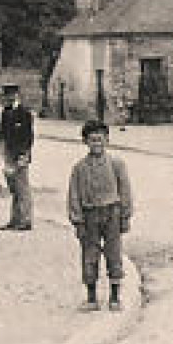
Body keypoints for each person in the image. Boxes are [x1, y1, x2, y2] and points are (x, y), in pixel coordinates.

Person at [66, 120, 133, 311]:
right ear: (85, 142)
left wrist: (125, 216)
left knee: (114, 255)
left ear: (107, 141)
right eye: (92, 140)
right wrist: (77, 221)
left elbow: (125, 190)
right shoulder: (79, 168)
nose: (96, 144)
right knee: (90, 255)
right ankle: (91, 297)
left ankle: (114, 297)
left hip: (112, 213)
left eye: (100, 140)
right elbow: (74, 194)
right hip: (89, 217)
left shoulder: (116, 164)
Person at [0, 85, 35, 231]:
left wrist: (24, 155)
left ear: (17, 95)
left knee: (22, 188)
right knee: (14, 189)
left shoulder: (24, 113)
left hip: (21, 155)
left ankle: (25, 220)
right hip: (9, 154)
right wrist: (3, 153)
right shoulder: (5, 112)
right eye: (6, 95)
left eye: (11, 95)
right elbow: (2, 134)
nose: (8, 98)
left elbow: (28, 137)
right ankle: (14, 220)